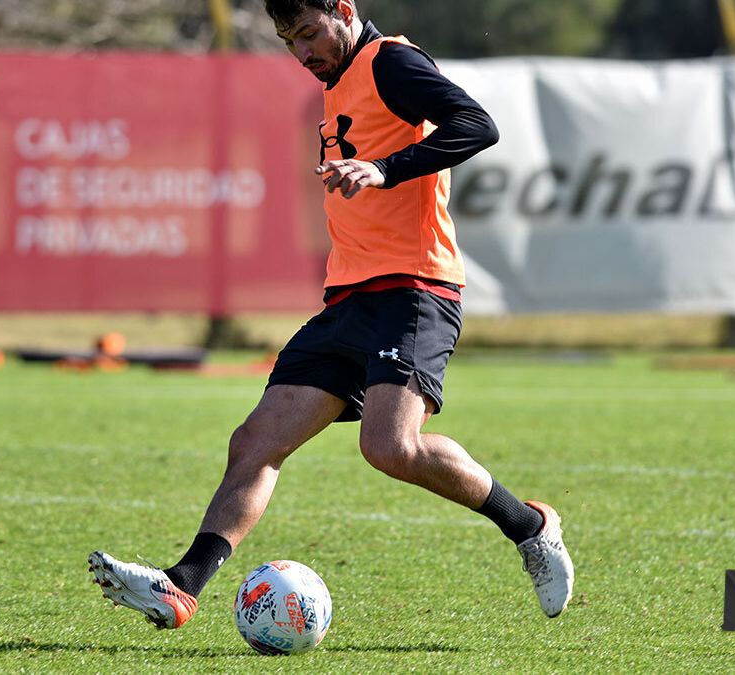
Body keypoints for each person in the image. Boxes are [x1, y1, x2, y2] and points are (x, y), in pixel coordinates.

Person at [88, 0, 574, 629]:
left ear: (344, 11)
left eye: (311, 33)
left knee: (390, 447)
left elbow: (477, 125)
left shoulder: (390, 63)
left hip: (415, 288)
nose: (303, 53)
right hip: (348, 297)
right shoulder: (337, 78)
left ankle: (530, 526)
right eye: (290, 41)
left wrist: (382, 168)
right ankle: (181, 587)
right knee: (255, 443)